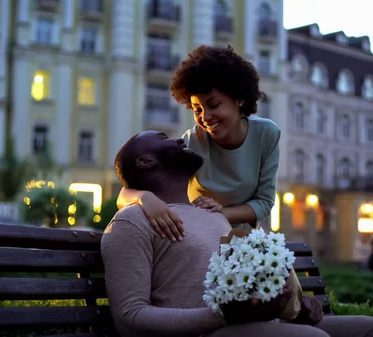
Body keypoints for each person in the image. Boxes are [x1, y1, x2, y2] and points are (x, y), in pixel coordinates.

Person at [101, 131, 373, 337]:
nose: (181, 139)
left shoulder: (213, 216)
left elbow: (243, 285)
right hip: (209, 332)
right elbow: (130, 318)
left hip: (260, 324)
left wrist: (292, 306)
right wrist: (222, 317)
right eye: (164, 137)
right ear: (146, 161)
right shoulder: (132, 222)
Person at [117, 45, 281, 240]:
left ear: (239, 99)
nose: (205, 117)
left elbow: (263, 203)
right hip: (198, 239)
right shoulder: (191, 142)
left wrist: (220, 213)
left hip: (242, 246)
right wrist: (144, 198)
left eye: (213, 105)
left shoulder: (266, 134)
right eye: (197, 109)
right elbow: (123, 196)